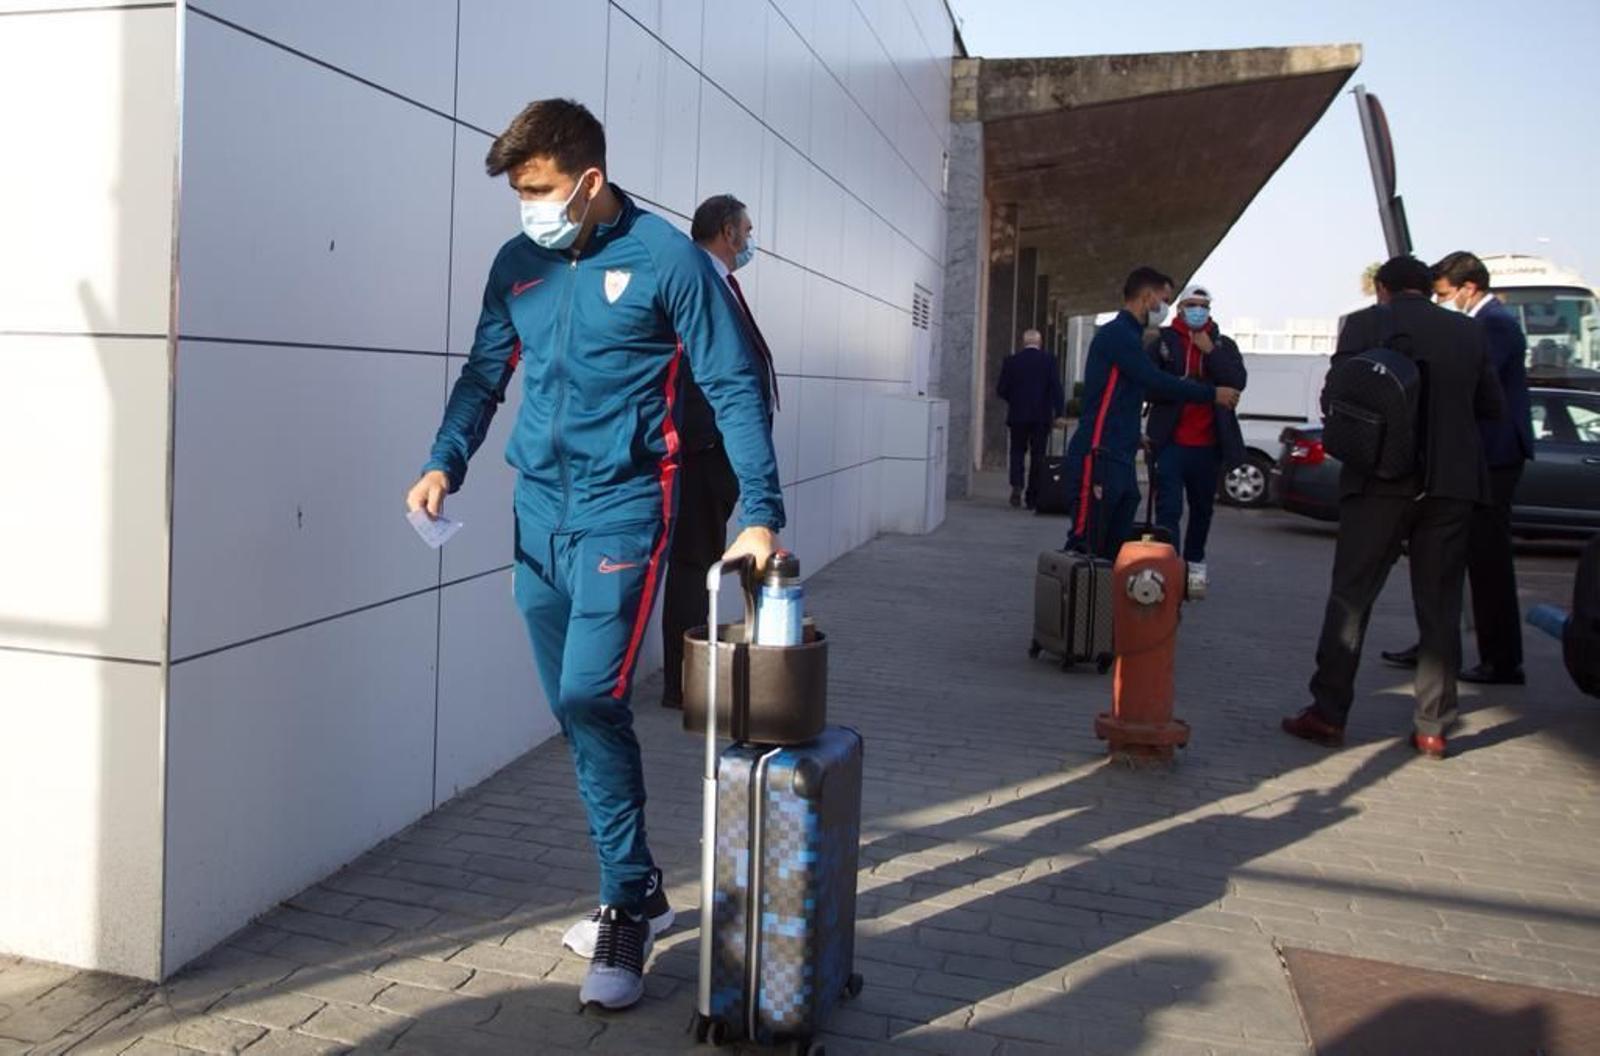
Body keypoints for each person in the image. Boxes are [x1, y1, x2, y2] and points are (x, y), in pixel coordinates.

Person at [404, 100, 783, 1011]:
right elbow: (483, 373)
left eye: (536, 190)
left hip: (623, 511)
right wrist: (442, 460)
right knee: (574, 712)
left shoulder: (666, 261)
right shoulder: (518, 264)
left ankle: (623, 903)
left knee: (591, 693)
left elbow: (733, 384)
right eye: (518, 192)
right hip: (535, 514)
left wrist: (761, 511)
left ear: (587, 180)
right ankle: (639, 881)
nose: (525, 207)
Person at [1283, 255, 1503, 761]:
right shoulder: (1468, 333)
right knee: (1440, 606)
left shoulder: (1364, 325)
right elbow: (1492, 407)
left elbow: (1333, 400)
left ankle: (1328, 713)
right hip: (1450, 485)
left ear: (1382, 289)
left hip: (1379, 481)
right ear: (1429, 290)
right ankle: (1433, 726)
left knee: (1351, 599)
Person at [1381, 251, 1534, 685]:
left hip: (1493, 457)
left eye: (1445, 295)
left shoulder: (1493, 325)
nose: (1442, 303)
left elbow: (1472, 388)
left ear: (1469, 288)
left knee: (1487, 561)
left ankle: (1501, 660)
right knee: (1450, 559)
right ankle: (1435, 648)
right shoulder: (1481, 324)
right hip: (1477, 457)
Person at [658, 194, 778, 710]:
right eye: (747, 232)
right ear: (728, 233)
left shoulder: (720, 282)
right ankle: (682, 684)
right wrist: (703, 438)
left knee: (706, 558)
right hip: (701, 451)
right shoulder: (696, 280)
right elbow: (692, 369)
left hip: (718, 451)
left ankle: (695, 673)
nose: (749, 242)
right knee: (692, 564)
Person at [1060, 267, 1241, 558]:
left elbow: (1126, 396)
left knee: (1116, 543)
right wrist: (1211, 394)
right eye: (1164, 299)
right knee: (1086, 542)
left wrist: (1136, 434)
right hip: (1098, 454)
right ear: (1147, 297)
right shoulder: (1117, 336)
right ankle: (1079, 600)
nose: (1165, 308)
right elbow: (1154, 380)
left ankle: (1107, 600)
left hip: (1119, 454)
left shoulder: (1132, 336)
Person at [1144, 284, 1248, 592]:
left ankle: (1194, 567)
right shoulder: (1162, 342)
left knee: (1203, 510)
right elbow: (1148, 385)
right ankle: (1170, 569)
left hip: (1208, 446)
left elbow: (1237, 381)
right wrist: (1186, 386)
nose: (1197, 310)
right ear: (1179, 309)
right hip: (1171, 443)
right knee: (1169, 509)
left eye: (1203, 305)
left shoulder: (1222, 344)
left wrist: (1209, 352)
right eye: (1191, 304)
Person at [996, 328, 1066, 508]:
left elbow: (1001, 389)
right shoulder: (1049, 361)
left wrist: (1015, 400)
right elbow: (1055, 388)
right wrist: (1058, 413)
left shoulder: (1011, 361)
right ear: (1039, 343)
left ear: (1023, 343)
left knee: (1017, 452)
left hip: (1018, 415)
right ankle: (1032, 496)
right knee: (1038, 455)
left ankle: (1017, 486)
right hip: (1041, 417)